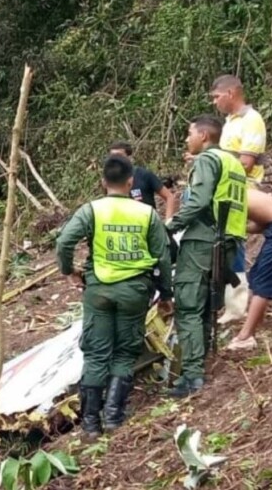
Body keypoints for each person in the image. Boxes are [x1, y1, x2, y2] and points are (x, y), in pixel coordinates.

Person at [56, 154, 172, 437]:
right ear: (131, 181)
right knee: (124, 351)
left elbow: (64, 242)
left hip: (99, 291)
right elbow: (163, 256)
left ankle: (91, 424)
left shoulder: (91, 210)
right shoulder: (146, 213)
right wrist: (166, 292)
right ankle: (114, 416)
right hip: (134, 291)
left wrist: (69, 271)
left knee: (96, 354)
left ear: (103, 181)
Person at [166, 115, 247, 397]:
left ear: (203, 135)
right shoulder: (233, 162)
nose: (187, 139)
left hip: (204, 240)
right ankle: (199, 367)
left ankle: (192, 376)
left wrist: (171, 226)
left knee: (189, 305)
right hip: (229, 241)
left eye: (189, 133)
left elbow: (199, 202)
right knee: (205, 305)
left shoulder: (206, 161)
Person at [211, 75, 267, 323]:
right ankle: (228, 301)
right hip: (226, 189)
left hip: (241, 189)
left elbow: (245, 162)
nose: (215, 102)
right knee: (224, 243)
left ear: (231, 93)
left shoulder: (251, 120)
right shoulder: (230, 122)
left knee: (234, 242)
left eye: (216, 96)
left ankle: (237, 306)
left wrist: (215, 160)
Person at [226, 190, 272, 350]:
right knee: (256, 276)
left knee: (264, 281)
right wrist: (242, 227)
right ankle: (255, 327)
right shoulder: (238, 191)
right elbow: (260, 224)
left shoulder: (227, 194)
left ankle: (245, 337)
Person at [108, 141, 177, 220]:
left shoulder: (143, 175)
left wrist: (168, 223)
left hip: (148, 225)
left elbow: (169, 197)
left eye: (120, 156)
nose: (116, 160)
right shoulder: (110, 179)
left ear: (129, 157)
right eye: (112, 157)